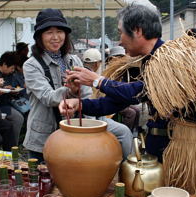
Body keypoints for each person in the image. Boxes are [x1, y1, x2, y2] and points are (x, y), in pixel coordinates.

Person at [59, 4, 172, 162]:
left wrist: (97, 81)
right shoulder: (148, 60)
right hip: (160, 144)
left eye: (121, 33)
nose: (120, 41)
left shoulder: (170, 59)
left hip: (176, 148)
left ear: (137, 30)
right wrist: (79, 105)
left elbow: (138, 91)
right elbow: (117, 101)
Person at [22, 8, 92, 162]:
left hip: (73, 133)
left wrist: (91, 125)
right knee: (44, 181)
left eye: (60, 31)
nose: (55, 37)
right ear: (40, 36)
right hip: (43, 138)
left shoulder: (74, 61)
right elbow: (48, 97)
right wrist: (70, 89)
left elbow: (87, 95)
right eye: (49, 32)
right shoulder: (31, 65)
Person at [82, 48, 133, 158]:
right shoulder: (90, 76)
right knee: (125, 131)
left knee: (133, 112)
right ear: (97, 63)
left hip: (96, 110)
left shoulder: (87, 73)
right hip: (93, 116)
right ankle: (127, 164)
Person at [0, 51, 24, 144]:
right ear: (4, 64)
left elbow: (14, 87)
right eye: (12, 68)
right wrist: (0, 90)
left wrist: (13, 91)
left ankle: (16, 142)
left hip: (8, 102)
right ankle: (13, 145)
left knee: (26, 112)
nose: (13, 70)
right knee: (18, 118)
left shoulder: (10, 74)